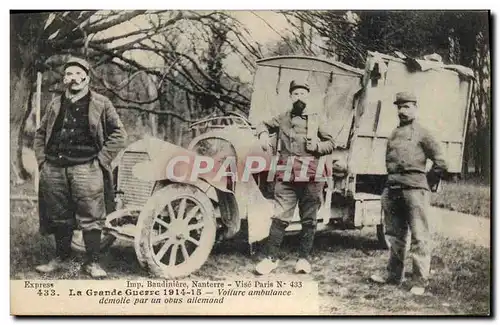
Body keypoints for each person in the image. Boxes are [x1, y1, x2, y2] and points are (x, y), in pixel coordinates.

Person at [33, 56, 127, 278]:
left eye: (77, 74)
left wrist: (101, 160)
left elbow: (119, 134)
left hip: (87, 168)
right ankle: (61, 258)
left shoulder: (101, 103)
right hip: (54, 168)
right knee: (59, 214)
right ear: (64, 79)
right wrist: (42, 161)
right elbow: (40, 133)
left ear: (86, 77)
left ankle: (92, 262)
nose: (72, 78)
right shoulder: (55, 103)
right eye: (68, 74)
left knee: (91, 216)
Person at [254, 80, 335, 275]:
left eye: (303, 93)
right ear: (291, 97)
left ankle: (303, 259)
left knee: (309, 219)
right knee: (280, 217)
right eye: (296, 94)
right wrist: (263, 135)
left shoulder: (317, 119)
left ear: (308, 96)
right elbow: (262, 123)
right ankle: (271, 258)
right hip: (287, 174)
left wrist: (317, 147)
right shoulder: (282, 118)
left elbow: (331, 143)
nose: (299, 97)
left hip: (312, 175)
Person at [370, 91, 448, 295]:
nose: (402, 111)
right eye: (399, 107)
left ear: (415, 108)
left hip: (415, 190)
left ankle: (420, 281)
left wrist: (424, 182)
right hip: (393, 187)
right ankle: (394, 275)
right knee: (394, 234)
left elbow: (441, 161)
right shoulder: (394, 133)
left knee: (419, 235)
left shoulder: (423, 132)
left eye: (407, 107)